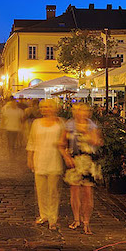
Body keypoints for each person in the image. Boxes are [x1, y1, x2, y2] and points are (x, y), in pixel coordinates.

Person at [61, 103, 101, 234]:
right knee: (74, 191)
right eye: (78, 111)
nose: (81, 114)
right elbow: (61, 144)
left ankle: (86, 221)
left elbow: (97, 141)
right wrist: (66, 157)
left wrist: (85, 131)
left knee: (88, 192)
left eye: (84, 111)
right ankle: (76, 219)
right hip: (74, 161)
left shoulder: (92, 125)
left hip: (88, 161)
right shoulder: (69, 125)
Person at [26, 99, 65, 230]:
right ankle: (44, 215)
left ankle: (53, 218)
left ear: (54, 108)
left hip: (54, 159)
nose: (46, 109)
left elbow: (65, 141)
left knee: (53, 191)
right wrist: (30, 158)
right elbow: (31, 141)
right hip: (39, 158)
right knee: (41, 190)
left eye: (48, 107)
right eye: (43, 107)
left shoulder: (60, 123)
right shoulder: (36, 123)